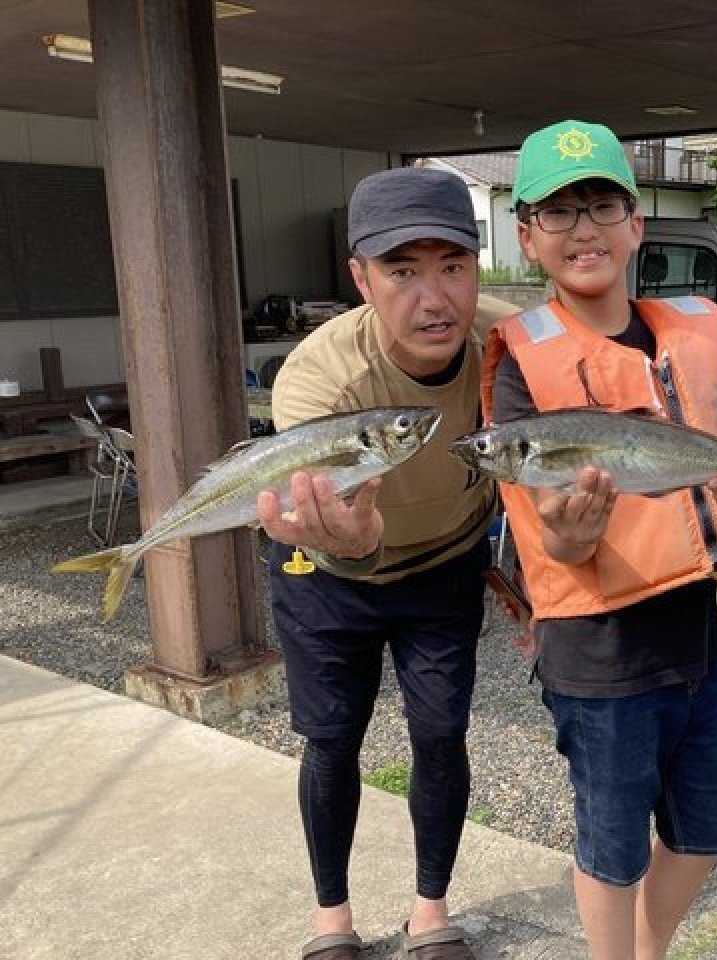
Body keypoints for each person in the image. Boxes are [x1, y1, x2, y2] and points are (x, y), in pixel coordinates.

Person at [480, 119, 717, 960]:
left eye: (602, 204)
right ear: (529, 236)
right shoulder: (520, 365)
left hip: (695, 629)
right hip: (597, 648)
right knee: (611, 851)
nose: (584, 229)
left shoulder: (693, 328)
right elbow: (551, 540)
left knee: (710, 829)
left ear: (636, 224)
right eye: (558, 212)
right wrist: (571, 539)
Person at [256, 166, 514, 960]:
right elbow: (321, 521)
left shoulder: (508, 340)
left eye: (453, 266)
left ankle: (430, 915)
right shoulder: (319, 377)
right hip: (328, 576)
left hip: (444, 567)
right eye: (403, 270)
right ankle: (332, 922)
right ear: (361, 277)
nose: (433, 297)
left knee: (441, 735)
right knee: (332, 737)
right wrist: (349, 542)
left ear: (478, 266)